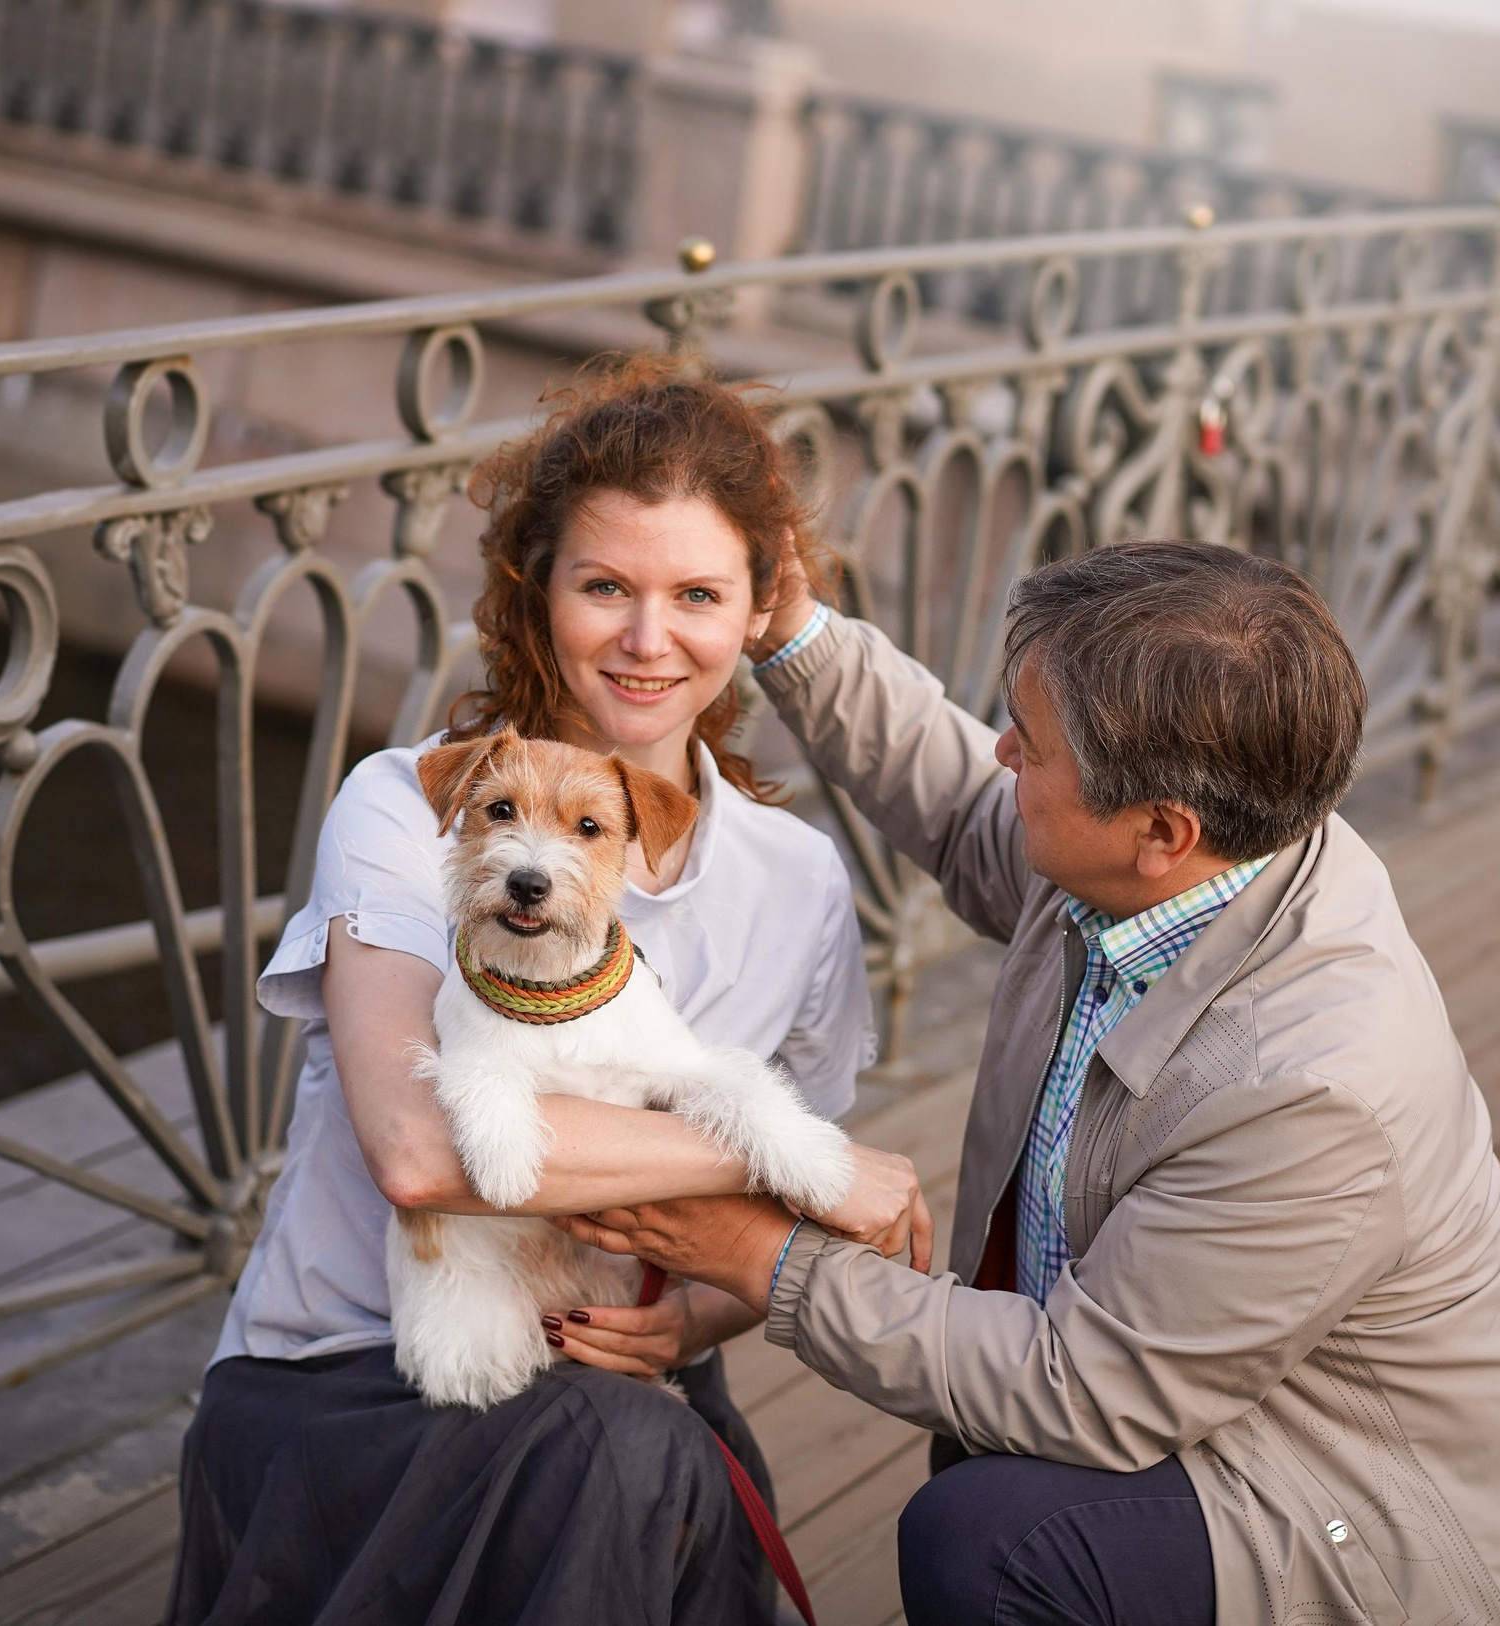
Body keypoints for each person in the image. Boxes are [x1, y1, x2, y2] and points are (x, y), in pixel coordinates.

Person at [561, 541, 1500, 1625]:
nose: (1002, 750)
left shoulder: (1310, 1089)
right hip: (1197, 1405)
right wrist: (793, 632)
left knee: (995, 1542)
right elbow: (967, 802)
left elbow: (1083, 1387)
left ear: (1160, 831)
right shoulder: (1189, 860)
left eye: (1032, 743)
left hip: (1367, 1522)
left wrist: (762, 1257)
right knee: (986, 1479)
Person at [167, 356, 932, 1626]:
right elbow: (420, 1153)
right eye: (604, 588)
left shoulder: (798, 880)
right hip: (351, 1377)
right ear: (537, 595)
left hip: (610, 1369)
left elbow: (762, 1229)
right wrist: (780, 1154)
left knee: (639, 1445)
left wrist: (691, 1319)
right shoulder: (407, 807)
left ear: (760, 609)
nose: (647, 639)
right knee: (630, 1459)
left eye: (697, 592)